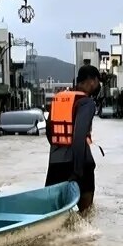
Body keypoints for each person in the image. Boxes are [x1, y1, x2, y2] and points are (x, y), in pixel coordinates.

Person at [46, 64, 101, 212]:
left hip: (55, 163)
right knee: (86, 215)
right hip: (80, 164)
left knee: (54, 214)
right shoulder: (87, 103)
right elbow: (79, 136)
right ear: (92, 81)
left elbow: (49, 133)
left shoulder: (59, 99)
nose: (98, 86)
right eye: (98, 82)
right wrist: (77, 171)